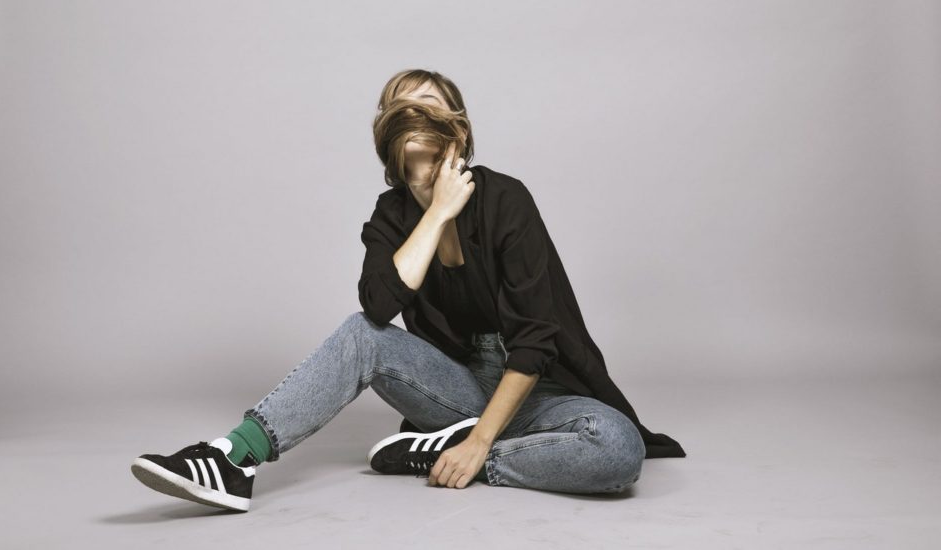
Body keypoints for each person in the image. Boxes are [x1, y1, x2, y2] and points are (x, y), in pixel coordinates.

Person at [130, 69, 685, 512]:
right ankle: (231, 459)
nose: (413, 111)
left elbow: (536, 342)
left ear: (457, 132)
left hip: (540, 393)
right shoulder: (390, 215)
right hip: (458, 389)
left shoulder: (506, 200)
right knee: (362, 333)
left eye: (428, 103)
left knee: (617, 449)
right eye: (400, 104)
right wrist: (437, 211)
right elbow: (378, 308)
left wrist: (479, 445)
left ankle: (452, 454)